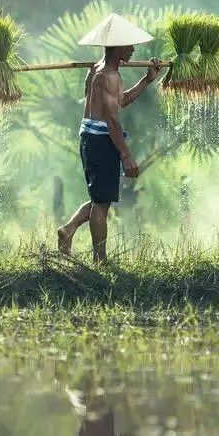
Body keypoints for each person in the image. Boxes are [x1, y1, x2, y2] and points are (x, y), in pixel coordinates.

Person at [57, 14, 162, 262]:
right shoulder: (108, 76)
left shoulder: (98, 70)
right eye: (129, 45)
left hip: (91, 137)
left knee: (99, 198)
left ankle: (68, 230)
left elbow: (121, 100)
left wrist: (147, 80)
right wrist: (126, 156)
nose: (134, 49)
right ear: (118, 48)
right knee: (102, 205)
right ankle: (100, 260)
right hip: (100, 140)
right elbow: (113, 121)